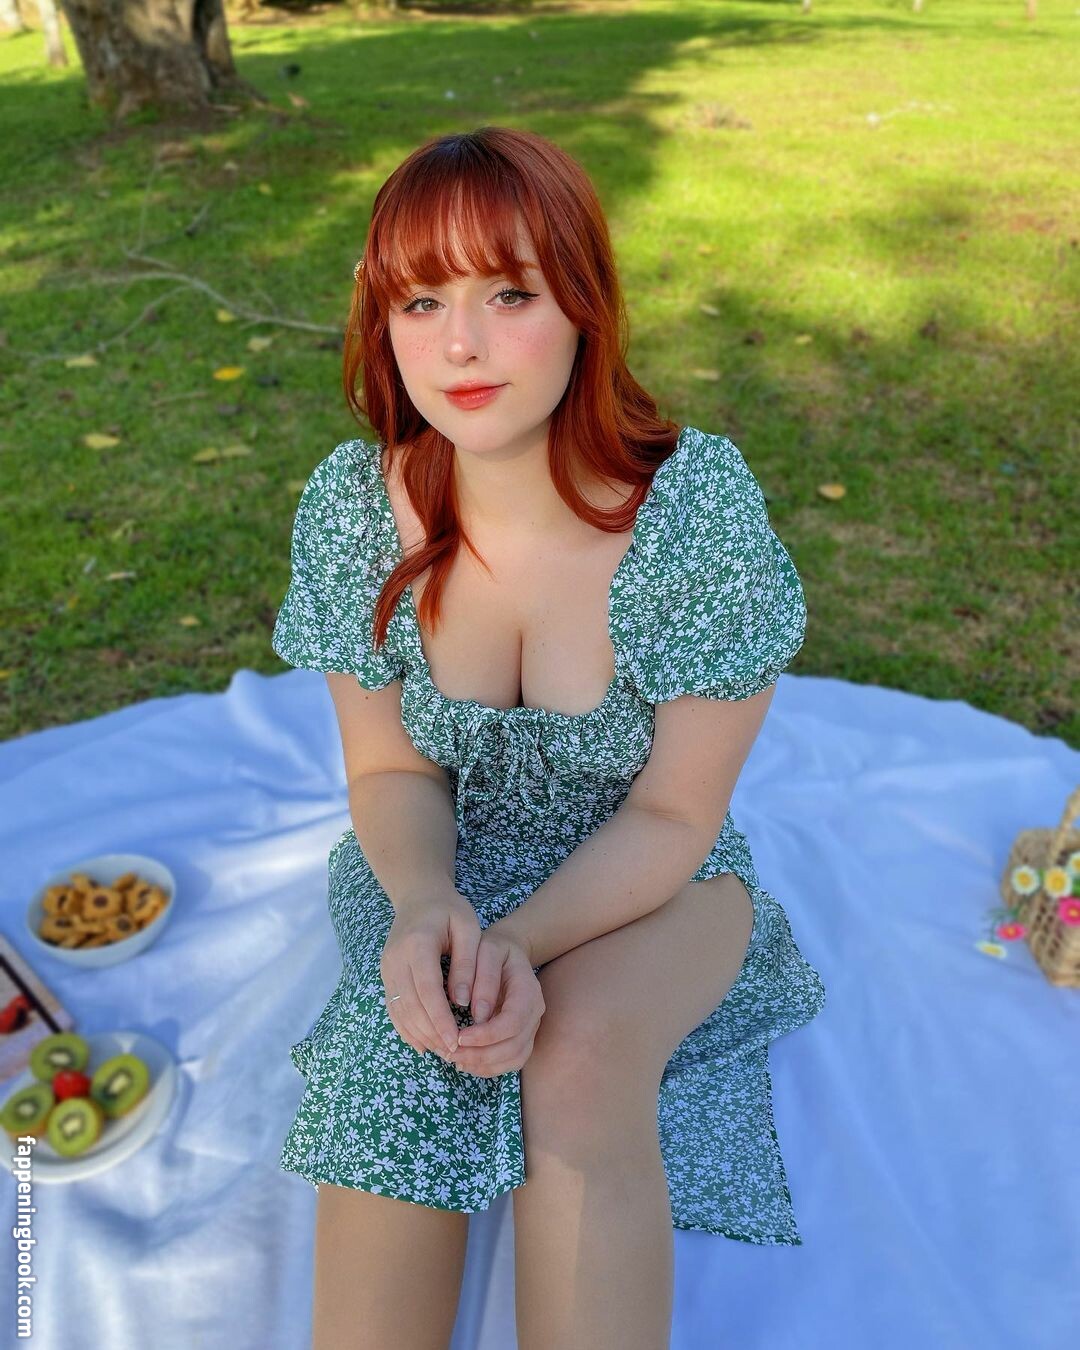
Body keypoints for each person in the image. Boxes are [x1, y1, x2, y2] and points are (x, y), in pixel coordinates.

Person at [271, 125, 827, 1350]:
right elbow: (389, 767)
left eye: (510, 294)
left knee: (574, 1065)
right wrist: (428, 908)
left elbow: (676, 812)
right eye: (421, 302)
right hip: (434, 863)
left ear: (584, 301)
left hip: (656, 877)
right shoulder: (356, 509)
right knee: (400, 1052)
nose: (459, 346)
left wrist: (520, 943)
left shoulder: (691, 514)